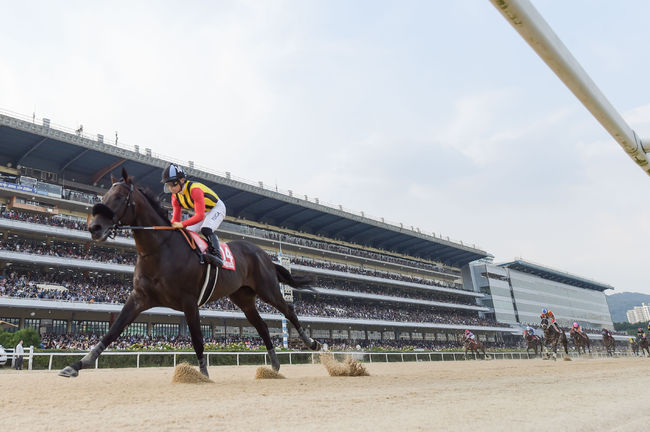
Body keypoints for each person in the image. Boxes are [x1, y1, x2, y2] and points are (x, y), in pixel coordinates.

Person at [162, 163, 225, 267]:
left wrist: (182, 224)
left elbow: (199, 216)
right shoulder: (175, 197)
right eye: (168, 185)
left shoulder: (194, 190)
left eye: (173, 184)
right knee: (187, 232)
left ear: (182, 180)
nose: (170, 188)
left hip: (216, 207)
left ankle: (217, 256)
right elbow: (175, 220)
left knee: (206, 229)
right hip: (204, 211)